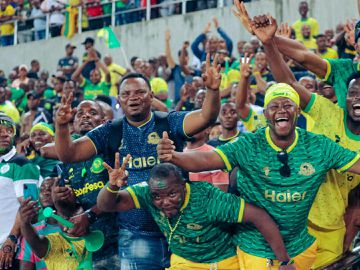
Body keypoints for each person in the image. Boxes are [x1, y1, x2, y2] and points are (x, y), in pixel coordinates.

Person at [158, 79, 360, 270]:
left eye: (288, 104)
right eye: (274, 105)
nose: (281, 109)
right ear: (267, 114)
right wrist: (175, 157)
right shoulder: (250, 144)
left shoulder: (317, 146)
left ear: (297, 111)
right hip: (256, 248)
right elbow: (208, 159)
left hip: (300, 246)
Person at [51, 54, 222, 269]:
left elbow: (207, 116)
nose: (133, 97)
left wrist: (213, 90)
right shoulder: (110, 131)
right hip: (135, 235)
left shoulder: (169, 121)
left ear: (151, 96)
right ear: (119, 101)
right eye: (126, 94)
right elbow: (68, 154)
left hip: (183, 229)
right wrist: (61, 126)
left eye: (140, 92)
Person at [256, 18, 360, 268]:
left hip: (332, 228)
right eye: (353, 93)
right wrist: (268, 44)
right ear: (345, 97)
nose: (359, 98)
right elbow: (289, 85)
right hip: (293, 221)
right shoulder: (325, 111)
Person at [232, 8, 360, 172]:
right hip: (341, 163)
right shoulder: (341, 70)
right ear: (355, 45)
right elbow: (303, 57)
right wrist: (268, 39)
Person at [98, 161, 295, 270]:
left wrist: (285, 261)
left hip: (222, 261)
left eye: (172, 194)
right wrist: (112, 186)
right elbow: (106, 205)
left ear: (184, 186)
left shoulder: (208, 199)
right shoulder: (147, 192)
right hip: (184, 262)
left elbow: (259, 216)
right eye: (157, 196)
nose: (164, 202)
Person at [49, 100, 120, 269]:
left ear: (104, 122)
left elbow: (123, 190)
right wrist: (60, 201)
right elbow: (70, 210)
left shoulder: (113, 150)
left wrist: (90, 215)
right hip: (87, 245)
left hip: (118, 240)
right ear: (73, 125)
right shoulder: (67, 158)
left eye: (93, 113)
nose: (86, 115)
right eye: (80, 114)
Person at [0, 113, 40, 270]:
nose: (4, 134)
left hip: (9, 250)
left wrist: (11, 240)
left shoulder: (22, 164)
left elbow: (30, 209)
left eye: (9, 130)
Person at [16, 176, 61, 270]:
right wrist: (24, 223)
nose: (45, 192)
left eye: (51, 188)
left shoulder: (75, 227)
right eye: (42, 189)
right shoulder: (31, 231)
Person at [185, 127, 229, 192]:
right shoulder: (178, 154)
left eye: (196, 123)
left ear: (207, 129)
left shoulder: (216, 156)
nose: (190, 127)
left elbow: (220, 196)